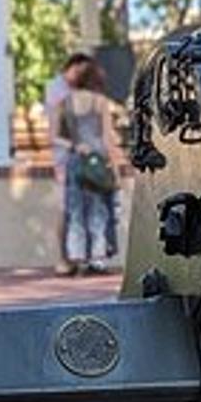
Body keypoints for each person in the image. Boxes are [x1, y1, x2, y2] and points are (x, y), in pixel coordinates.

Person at [54, 56, 117, 275]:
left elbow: (56, 137)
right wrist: (115, 164)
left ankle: (78, 257)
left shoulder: (64, 103)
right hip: (97, 161)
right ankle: (98, 259)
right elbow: (108, 136)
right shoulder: (101, 102)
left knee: (75, 211)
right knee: (99, 210)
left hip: (75, 162)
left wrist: (76, 145)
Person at [44, 52, 94, 274]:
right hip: (65, 159)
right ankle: (63, 260)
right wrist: (75, 146)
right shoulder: (56, 90)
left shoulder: (78, 90)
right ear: (70, 66)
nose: (81, 76)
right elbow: (54, 134)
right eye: (79, 71)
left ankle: (83, 259)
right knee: (65, 209)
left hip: (81, 158)